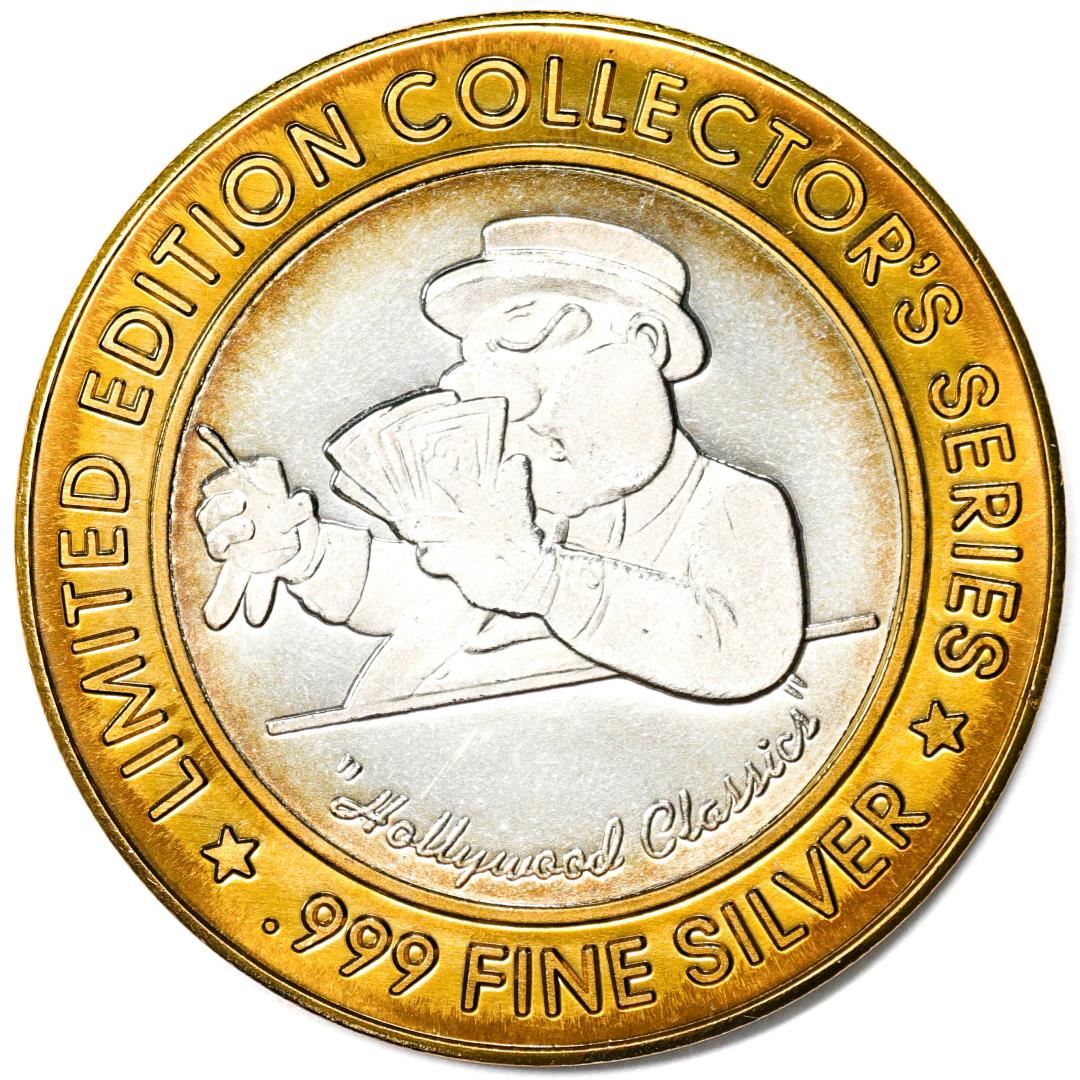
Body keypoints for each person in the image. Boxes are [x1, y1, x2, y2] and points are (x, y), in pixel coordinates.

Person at [195, 216, 805, 708]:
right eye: (483, 361)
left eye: (526, 341)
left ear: (647, 344)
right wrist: (308, 555)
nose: (510, 400)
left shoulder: (733, 504)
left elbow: (742, 652)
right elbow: (423, 592)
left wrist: (542, 580)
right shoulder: (523, 507)